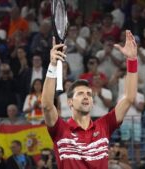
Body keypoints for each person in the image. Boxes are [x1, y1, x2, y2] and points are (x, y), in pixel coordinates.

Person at [41, 30, 138, 168]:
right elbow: (47, 105)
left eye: (88, 94)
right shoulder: (61, 129)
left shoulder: (104, 125)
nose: (86, 96)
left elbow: (129, 98)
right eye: (80, 94)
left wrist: (132, 60)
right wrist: (53, 66)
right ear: (70, 102)